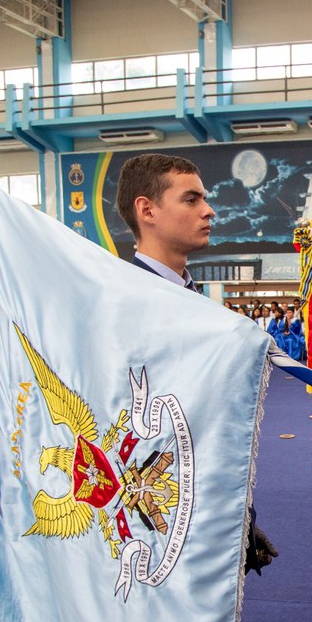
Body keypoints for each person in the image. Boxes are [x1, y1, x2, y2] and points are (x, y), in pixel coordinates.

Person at [114, 152, 277, 575]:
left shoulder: (194, 302)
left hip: (204, 515)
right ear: (147, 209)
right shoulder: (121, 307)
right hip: (154, 526)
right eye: (191, 200)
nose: (209, 210)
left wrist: (240, 518)